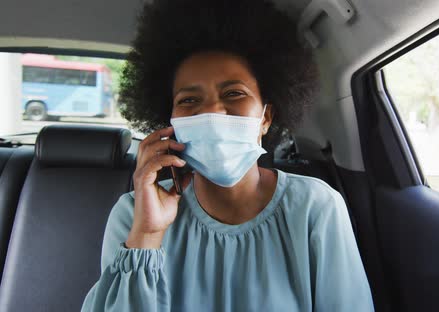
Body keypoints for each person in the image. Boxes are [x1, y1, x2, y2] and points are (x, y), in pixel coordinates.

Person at [81, 0, 374, 310]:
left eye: (234, 93)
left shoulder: (315, 208)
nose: (211, 111)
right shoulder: (133, 215)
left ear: (265, 117)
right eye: (189, 99)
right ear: (172, 123)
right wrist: (147, 234)